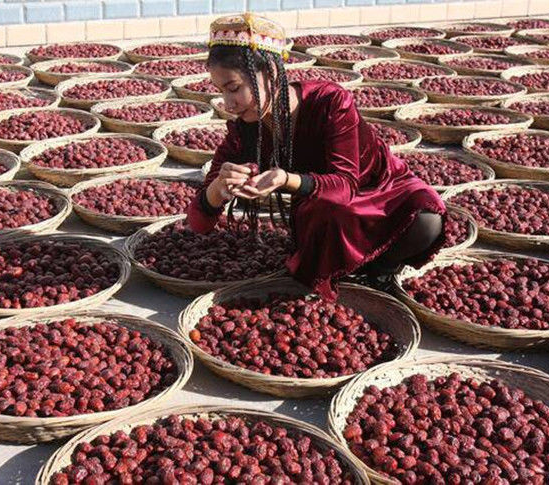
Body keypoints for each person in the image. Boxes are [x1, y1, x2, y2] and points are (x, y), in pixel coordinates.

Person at [186, 13, 447, 300]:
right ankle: (345, 264)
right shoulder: (244, 131)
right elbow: (198, 223)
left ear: (271, 74)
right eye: (221, 92)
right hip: (327, 209)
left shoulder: (330, 102)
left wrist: (287, 179)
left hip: (383, 190)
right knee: (329, 214)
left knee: (427, 219)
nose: (228, 104)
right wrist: (217, 191)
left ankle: (380, 267)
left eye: (234, 88)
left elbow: (345, 185)